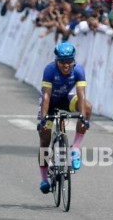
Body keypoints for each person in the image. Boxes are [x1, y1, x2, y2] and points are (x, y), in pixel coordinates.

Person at [37, 42, 92, 194]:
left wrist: (82, 117)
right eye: (62, 62)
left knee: (87, 107)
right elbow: (46, 95)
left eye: (69, 61)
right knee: (44, 141)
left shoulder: (79, 70)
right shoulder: (49, 70)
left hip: (66, 99)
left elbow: (81, 94)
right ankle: (43, 178)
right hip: (50, 103)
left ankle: (75, 148)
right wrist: (43, 119)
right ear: (56, 61)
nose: (66, 65)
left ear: (73, 61)